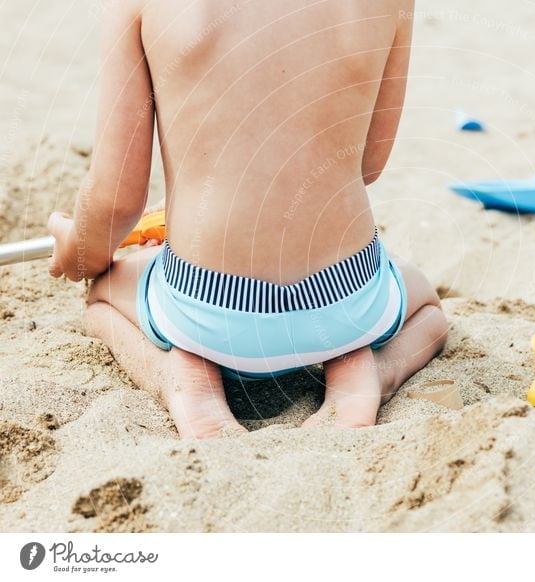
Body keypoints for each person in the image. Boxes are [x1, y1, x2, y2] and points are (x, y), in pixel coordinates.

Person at [47, 0, 447, 438]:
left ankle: (182, 377)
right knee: (427, 306)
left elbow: (115, 203)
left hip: (204, 304)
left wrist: (77, 249)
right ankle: (366, 370)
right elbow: (367, 165)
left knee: (104, 297)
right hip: (348, 301)